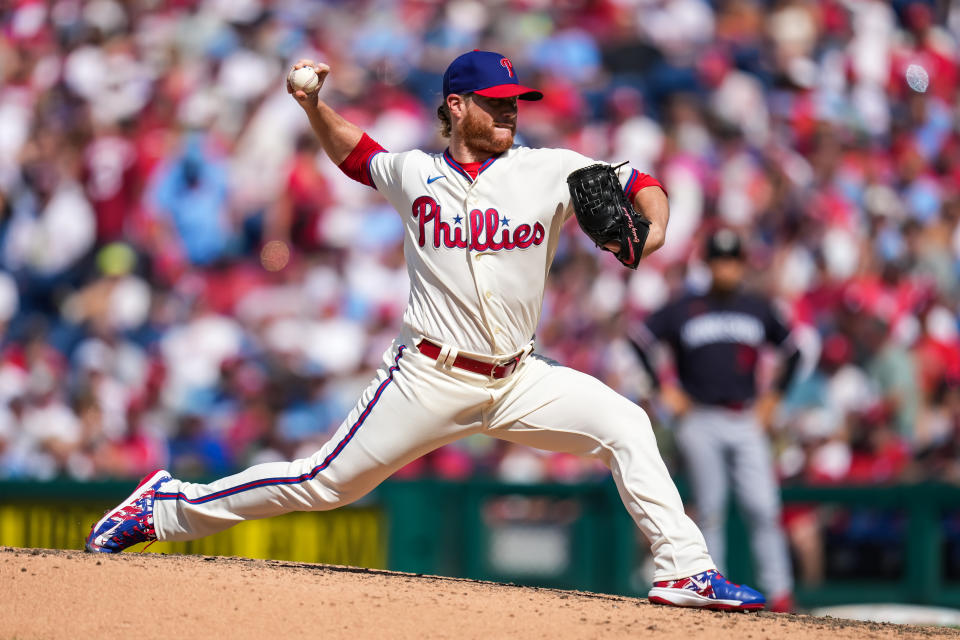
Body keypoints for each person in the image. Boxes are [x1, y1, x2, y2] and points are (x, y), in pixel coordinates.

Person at [85, 51, 764, 611]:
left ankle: (684, 568)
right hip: (429, 374)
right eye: (494, 100)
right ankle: (167, 508)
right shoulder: (417, 173)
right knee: (324, 482)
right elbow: (358, 156)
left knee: (626, 424)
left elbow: (638, 179)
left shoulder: (548, 168)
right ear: (457, 106)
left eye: (513, 102)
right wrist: (313, 107)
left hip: (518, 377)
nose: (508, 111)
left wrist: (659, 225)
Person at [630, 228, 800, 612]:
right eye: (719, 259)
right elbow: (639, 339)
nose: (726, 266)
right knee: (711, 508)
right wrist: (662, 388)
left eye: (733, 258)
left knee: (764, 507)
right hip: (700, 417)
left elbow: (794, 350)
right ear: (707, 264)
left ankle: (782, 594)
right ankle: (713, 588)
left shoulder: (757, 307)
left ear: (742, 263)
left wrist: (775, 396)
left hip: (745, 418)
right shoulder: (686, 307)